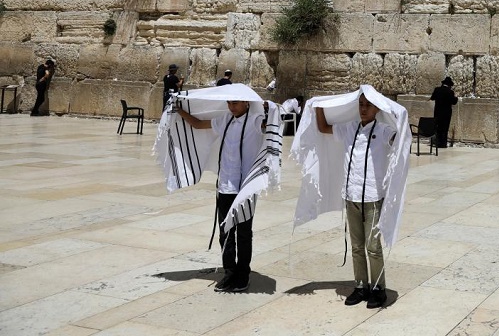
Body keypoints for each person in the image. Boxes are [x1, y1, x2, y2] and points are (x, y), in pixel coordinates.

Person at [292, 86, 411, 311]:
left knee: (373, 247)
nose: (363, 109)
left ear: (377, 108)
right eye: (361, 104)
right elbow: (323, 127)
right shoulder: (349, 128)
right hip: (351, 195)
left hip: (373, 197)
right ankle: (361, 286)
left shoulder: (384, 131)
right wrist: (318, 105)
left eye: (369, 105)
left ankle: (378, 288)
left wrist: (399, 114)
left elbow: (400, 138)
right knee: (357, 246)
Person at [168, 86, 281, 293]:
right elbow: (198, 124)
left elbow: (273, 123)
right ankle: (229, 272)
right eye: (229, 103)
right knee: (225, 232)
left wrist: (270, 107)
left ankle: (243, 274)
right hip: (226, 185)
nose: (231, 107)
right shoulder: (225, 120)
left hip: (245, 186)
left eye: (235, 102)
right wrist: (179, 110)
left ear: (246, 102)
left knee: (244, 232)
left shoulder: (256, 121)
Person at [429, 76, 458, 148]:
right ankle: (443, 144)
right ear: (449, 85)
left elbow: (432, 98)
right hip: (446, 114)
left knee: (438, 127)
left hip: (437, 112)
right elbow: (454, 102)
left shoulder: (437, 90)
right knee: (445, 128)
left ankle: (437, 142)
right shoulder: (450, 92)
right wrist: (456, 98)